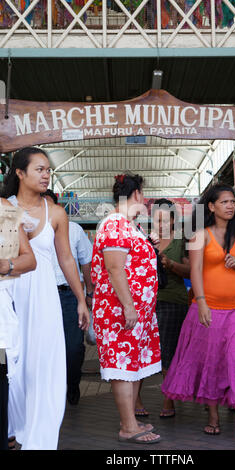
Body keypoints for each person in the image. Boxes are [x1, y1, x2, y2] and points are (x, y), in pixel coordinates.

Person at [162, 183, 235, 444]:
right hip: (210, 307)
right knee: (211, 361)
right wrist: (201, 301)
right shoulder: (200, 235)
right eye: (224, 201)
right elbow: (195, 271)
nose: (230, 206)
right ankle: (213, 416)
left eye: (232, 201)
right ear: (211, 206)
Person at [1, 147, 89, 450]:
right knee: (16, 361)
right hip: (10, 293)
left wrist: (80, 299)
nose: (46, 175)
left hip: (43, 295)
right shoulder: (4, 207)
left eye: (48, 170)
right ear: (20, 173)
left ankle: (40, 431)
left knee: (45, 362)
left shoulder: (58, 213)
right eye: (39, 169)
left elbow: (66, 259)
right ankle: (15, 428)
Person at [91, 173, 162, 444]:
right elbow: (114, 268)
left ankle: (129, 420)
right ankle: (128, 427)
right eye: (143, 194)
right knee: (122, 367)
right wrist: (130, 307)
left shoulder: (128, 225)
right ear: (136, 195)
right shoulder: (114, 223)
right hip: (119, 311)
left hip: (132, 313)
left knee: (131, 366)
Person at [135, 198, 190, 418]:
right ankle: (135, 400)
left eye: (163, 219)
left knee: (169, 354)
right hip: (146, 304)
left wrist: (171, 265)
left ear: (174, 219)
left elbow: (190, 271)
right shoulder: (145, 240)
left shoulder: (181, 239)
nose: (159, 223)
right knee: (139, 352)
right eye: (155, 218)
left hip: (172, 301)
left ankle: (168, 400)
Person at [44, 189, 94, 406]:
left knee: (73, 347)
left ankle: (72, 383)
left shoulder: (73, 230)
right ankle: (49, 391)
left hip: (68, 296)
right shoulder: (27, 228)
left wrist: (88, 294)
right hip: (42, 296)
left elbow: (86, 262)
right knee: (44, 347)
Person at [0, 198, 36, 450]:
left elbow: (28, 260)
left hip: (1, 317)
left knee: (1, 377)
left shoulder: (2, 208)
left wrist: (6, 265)